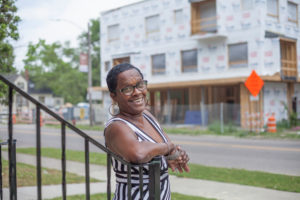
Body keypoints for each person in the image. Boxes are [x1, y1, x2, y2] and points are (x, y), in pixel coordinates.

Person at [104, 63, 190, 200]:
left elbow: (161, 148)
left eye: (140, 85)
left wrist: (175, 155)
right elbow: (138, 154)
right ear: (113, 96)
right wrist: (169, 148)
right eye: (127, 89)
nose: (137, 92)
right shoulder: (116, 127)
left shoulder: (147, 115)